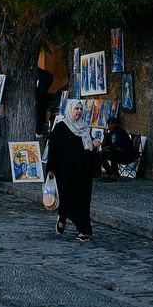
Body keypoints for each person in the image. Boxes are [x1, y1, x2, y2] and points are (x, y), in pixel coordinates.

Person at [46, 99, 102, 243]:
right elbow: (53, 148)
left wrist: (94, 145)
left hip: (83, 171)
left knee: (83, 200)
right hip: (65, 170)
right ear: (70, 110)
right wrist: (51, 168)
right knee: (68, 198)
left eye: (81, 109)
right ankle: (64, 216)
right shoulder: (61, 127)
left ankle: (82, 230)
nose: (79, 111)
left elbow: (88, 147)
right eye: (76, 109)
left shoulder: (85, 128)